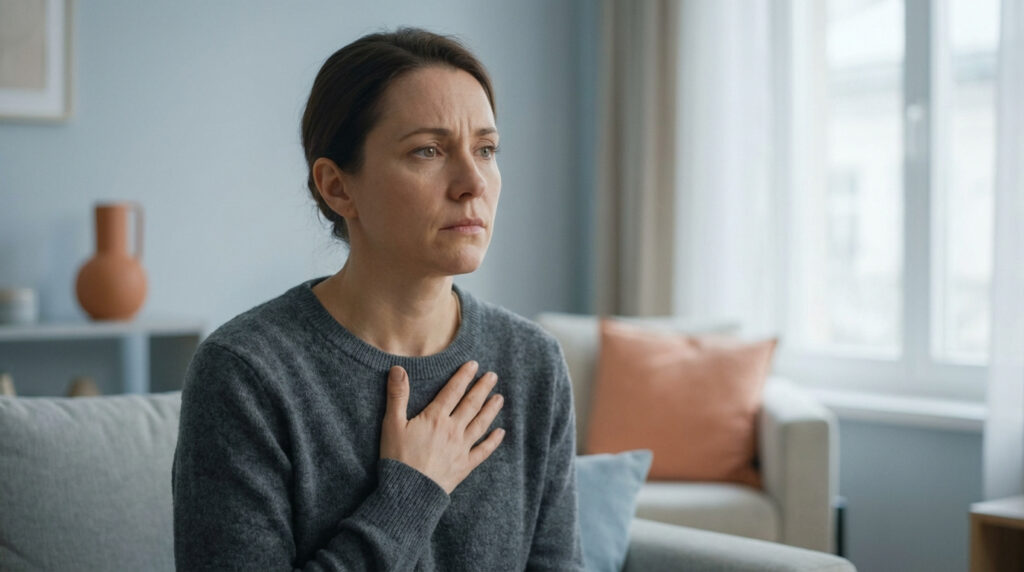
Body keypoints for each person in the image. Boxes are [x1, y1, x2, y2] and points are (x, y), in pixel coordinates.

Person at [171, 27, 584, 571]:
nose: (472, 182)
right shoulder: (246, 374)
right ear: (338, 187)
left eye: (486, 149)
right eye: (429, 151)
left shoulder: (533, 363)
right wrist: (411, 494)